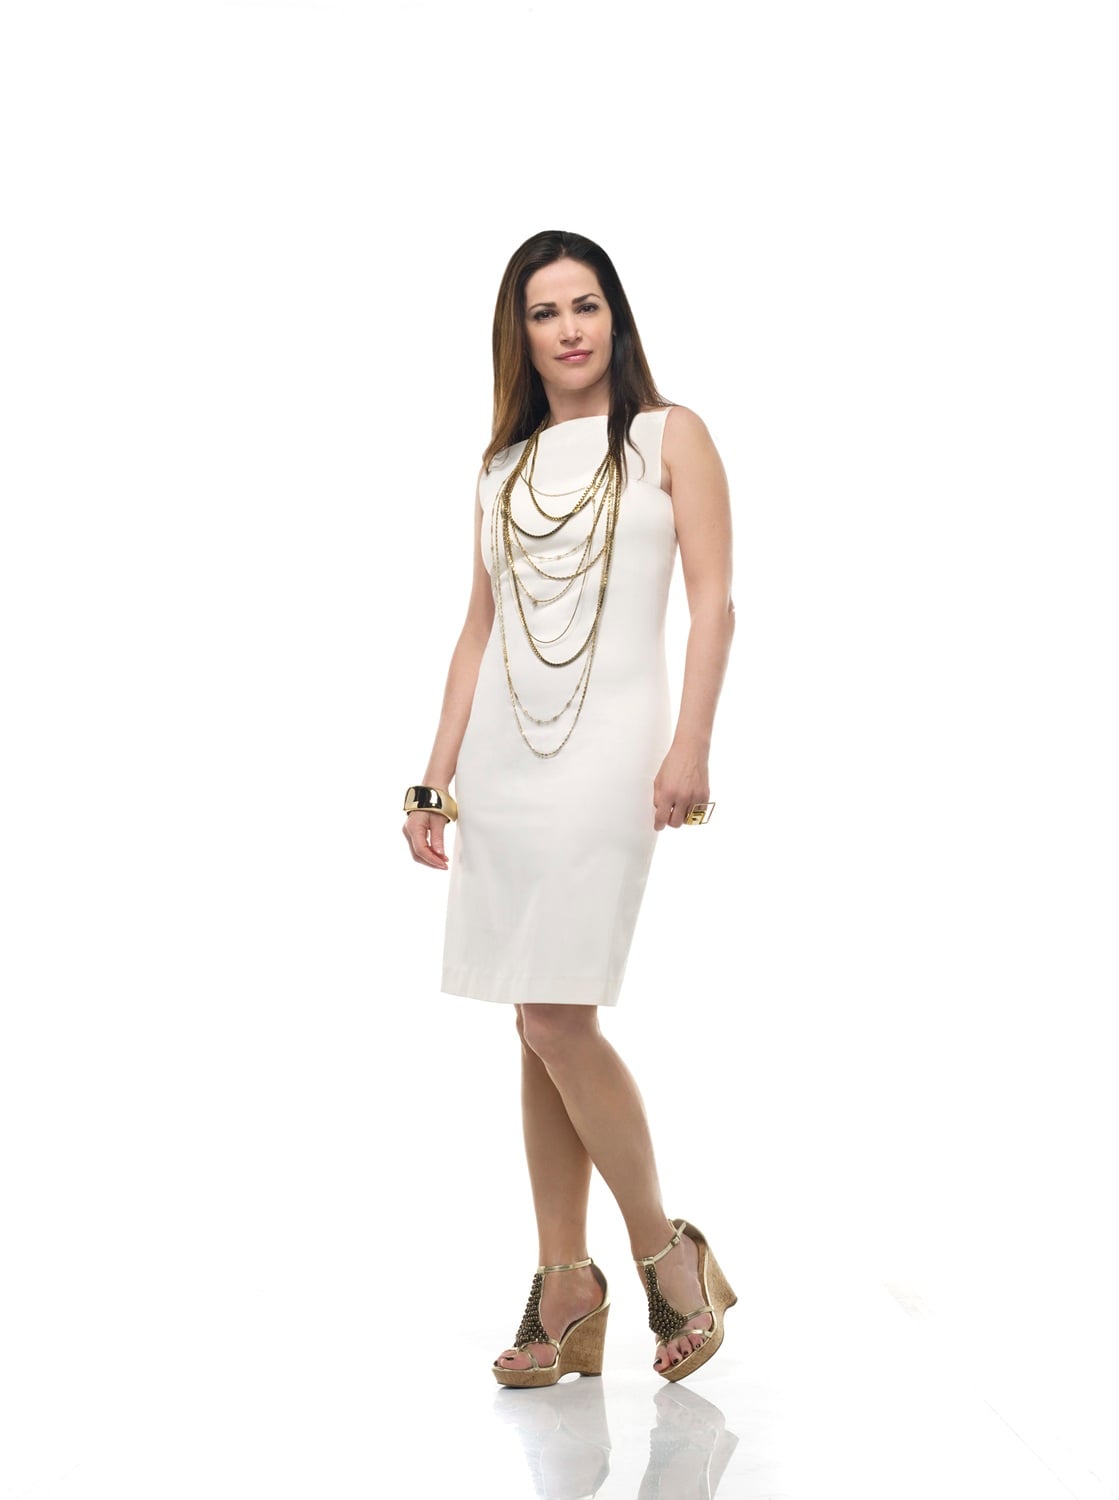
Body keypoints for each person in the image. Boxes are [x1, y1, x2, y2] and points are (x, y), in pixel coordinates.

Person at [402, 230, 736, 1387]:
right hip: (507, 763)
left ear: (616, 315)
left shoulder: (668, 438)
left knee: (554, 1015)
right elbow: (478, 629)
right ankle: (564, 1281)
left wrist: (692, 742)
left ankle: (663, 1252)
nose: (570, 328)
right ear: (521, 334)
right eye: (545, 312)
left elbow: (714, 601)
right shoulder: (499, 468)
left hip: (615, 757)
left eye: (586, 304)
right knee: (534, 1018)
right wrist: (434, 776)